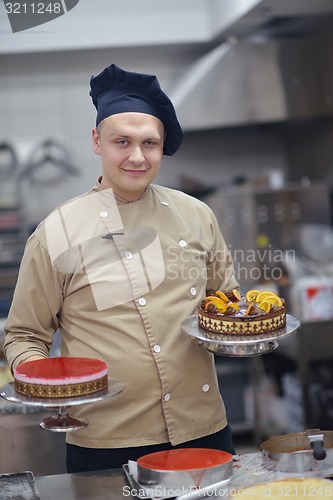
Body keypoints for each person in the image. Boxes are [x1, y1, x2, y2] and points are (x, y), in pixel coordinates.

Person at [4, 63, 239, 473]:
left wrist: (237, 333)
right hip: (107, 441)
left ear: (162, 144)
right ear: (97, 141)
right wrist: (47, 386)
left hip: (203, 429)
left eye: (149, 143)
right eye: (121, 142)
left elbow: (225, 306)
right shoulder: (56, 232)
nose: (136, 156)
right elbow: (25, 335)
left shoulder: (197, 215)